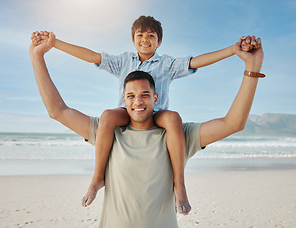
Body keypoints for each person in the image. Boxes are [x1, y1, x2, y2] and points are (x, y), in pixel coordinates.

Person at [29, 32, 264, 227]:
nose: (137, 102)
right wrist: (37, 56)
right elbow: (57, 110)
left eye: (144, 95)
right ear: (124, 99)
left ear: (156, 97)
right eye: (130, 96)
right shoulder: (108, 133)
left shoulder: (177, 137)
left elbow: (234, 123)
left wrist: (252, 68)